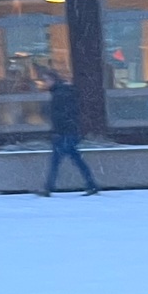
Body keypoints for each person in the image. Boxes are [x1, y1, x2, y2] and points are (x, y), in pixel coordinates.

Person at [38, 67, 98, 197]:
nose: (45, 83)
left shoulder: (59, 94)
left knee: (59, 161)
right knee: (73, 160)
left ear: (53, 79)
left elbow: (61, 115)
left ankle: (49, 188)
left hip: (64, 133)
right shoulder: (61, 92)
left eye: (46, 80)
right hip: (67, 132)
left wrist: (58, 130)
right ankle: (91, 185)